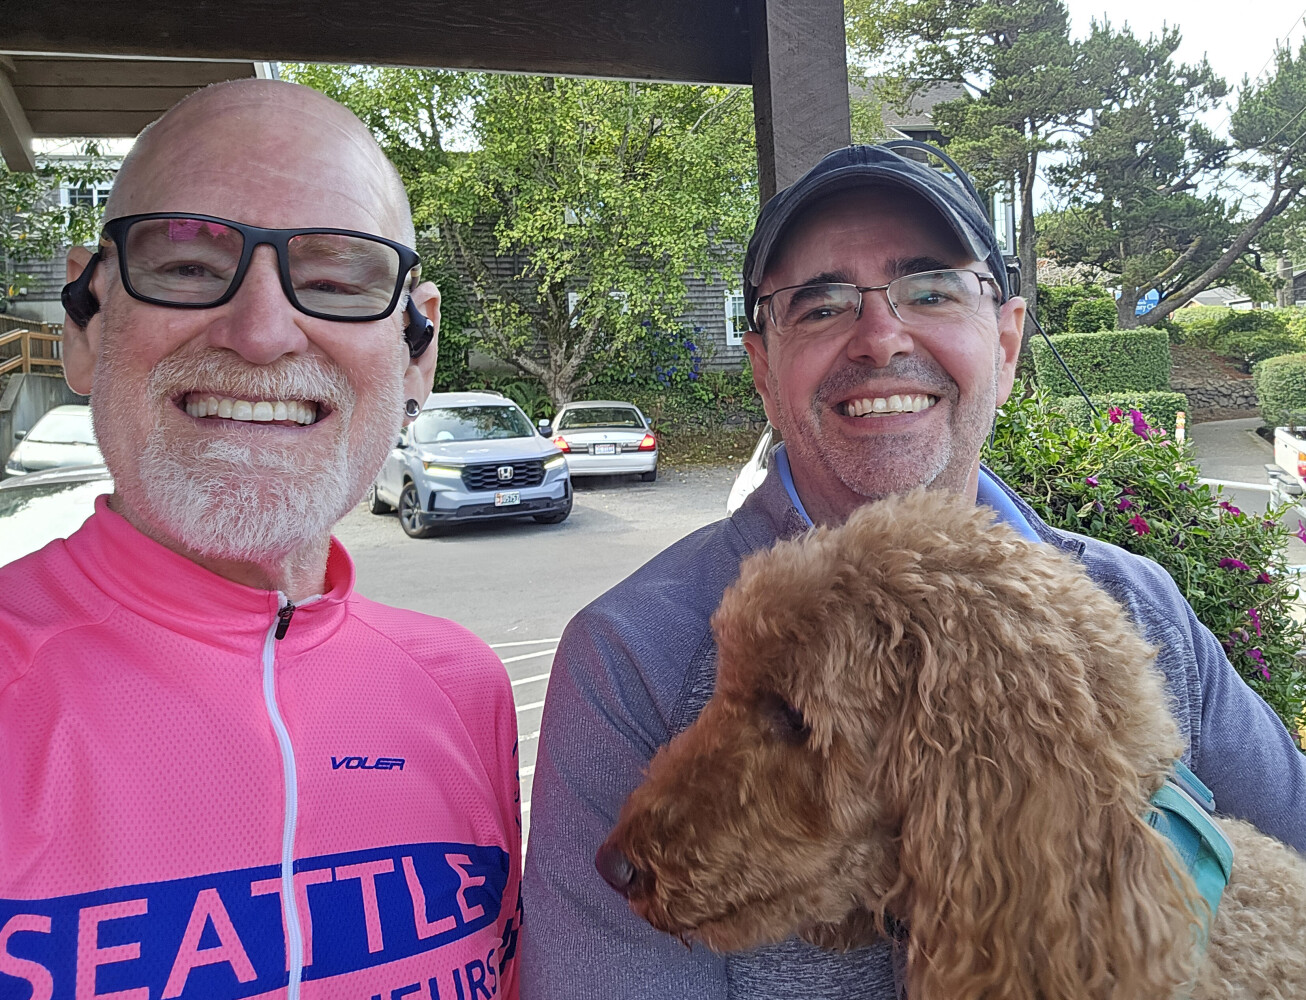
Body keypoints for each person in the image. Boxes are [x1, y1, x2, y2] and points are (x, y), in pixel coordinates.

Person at [521, 142, 1306, 999]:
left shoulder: (1138, 604)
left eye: (931, 291)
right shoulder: (628, 659)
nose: (880, 338)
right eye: (820, 305)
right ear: (764, 370)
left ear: (1006, 342)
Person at [0, 80, 520, 1000]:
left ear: (418, 351)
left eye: (336, 281)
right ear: (85, 323)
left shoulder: (467, 691)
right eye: (188, 266)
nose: (263, 333)